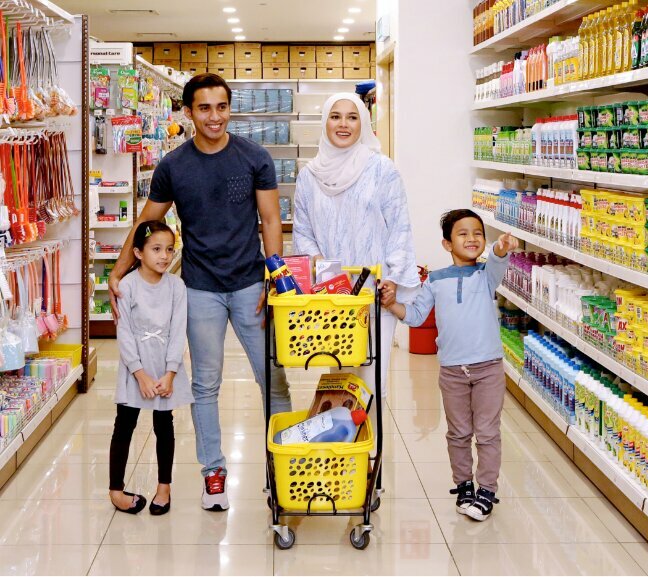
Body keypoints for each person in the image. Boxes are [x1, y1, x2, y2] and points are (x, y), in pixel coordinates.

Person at [108, 74, 291, 512]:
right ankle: (214, 474)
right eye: (204, 108)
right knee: (205, 385)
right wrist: (118, 271)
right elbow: (146, 222)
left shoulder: (255, 157)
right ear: (188, 112)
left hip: (251, 285)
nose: (214, 117)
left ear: (230, 108)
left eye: (222, 107)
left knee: (274, 377)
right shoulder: (174, 166)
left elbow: (270, 220)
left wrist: (275, 276)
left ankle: (283, 465)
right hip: (201, 289)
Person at [382, 210, 519, 521]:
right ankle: (464, 485)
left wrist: (501, 247)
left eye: (477, 233)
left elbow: (498, 258)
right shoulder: (435, 280)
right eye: (463, 233)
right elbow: (416, 316)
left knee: (487, 432)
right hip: (452, 371)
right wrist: (391, 304)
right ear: (447, 244)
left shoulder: (486, 275)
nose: (472, 239)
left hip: (488, 369)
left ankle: (487, 490)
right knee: (458, 432)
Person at [293, 93, 418, 398]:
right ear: (325, 122)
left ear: (363, 123)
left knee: (372, 383)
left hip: (375, 289)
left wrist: (393, 278)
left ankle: (369, 430)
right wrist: (321, 266)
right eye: (335, 116)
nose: (344, 124)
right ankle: (342, 429)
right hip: (331, 293)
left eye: (352, 117)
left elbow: (399, 227)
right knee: (339, 377)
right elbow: (302, 230)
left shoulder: (382, 169)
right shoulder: (309, 176)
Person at [109, 221, 192, 516]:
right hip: (135, 365)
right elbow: (124, 331)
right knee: (124, 424)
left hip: (165, 363)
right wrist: (139, 373)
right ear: (138, 252)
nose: (164, 256)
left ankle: (164, 487)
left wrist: (170, 373)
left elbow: (178, 329)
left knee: (164, 424)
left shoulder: (177, 286)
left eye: (169, 249)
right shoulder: (128, 285)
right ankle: (116, 491)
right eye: (156, 249)